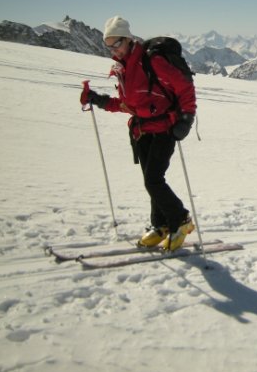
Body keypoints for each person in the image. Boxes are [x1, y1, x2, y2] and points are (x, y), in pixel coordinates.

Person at [80, 16, 197, 251]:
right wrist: (99, 100)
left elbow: (185, 87)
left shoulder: (152, 60)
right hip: (141, 130)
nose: (114, 49)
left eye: (117, 43)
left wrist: (186, 118)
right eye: (109, 45)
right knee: (151, 181)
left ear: (128, 39)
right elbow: (128, 105)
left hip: (165, 127)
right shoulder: (122, 68)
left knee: (153, 180)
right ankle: (160, 225)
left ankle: (181, 219)